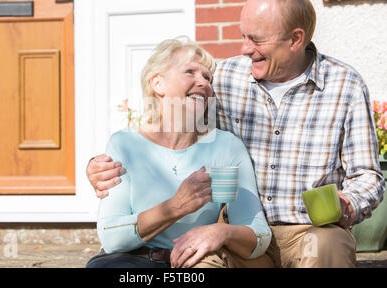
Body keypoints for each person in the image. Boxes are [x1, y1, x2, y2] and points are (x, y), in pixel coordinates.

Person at [87, 0, 385, 268]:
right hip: (239, 233)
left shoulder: (344, 84)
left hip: (310, 230)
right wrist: (101, 166)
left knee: (326, 245)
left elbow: (368, 175)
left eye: (256, 40)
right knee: (198, 259)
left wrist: (350, 202)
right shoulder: (226, 76)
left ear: (295, 39)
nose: (245, 48)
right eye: (244, 36)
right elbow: (173, 118)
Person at [86, 37, 272, 268]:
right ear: (158, 84)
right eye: (190, 72)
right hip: (130, 262)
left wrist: (222, 232)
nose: (203, 82)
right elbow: (111, 237)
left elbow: (259, 234)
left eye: (207, 77)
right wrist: (176, 206)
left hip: (195, 264)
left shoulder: (224, 147)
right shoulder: (125, 144)